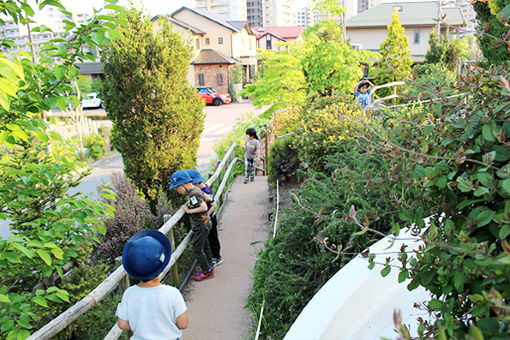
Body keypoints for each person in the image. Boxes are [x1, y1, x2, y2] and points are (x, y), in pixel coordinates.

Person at [116, 230, 189, 340]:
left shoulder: (129, 293)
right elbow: (183, 324)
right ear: (162, 269)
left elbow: (122, 324)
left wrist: (141, 326)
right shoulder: (172, 293)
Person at [169, 170, 214, 281]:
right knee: (205, 246)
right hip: (205, 223)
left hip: (201, 224)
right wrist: (190, 201)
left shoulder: (193, 193)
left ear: (182, 184)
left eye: (176, 188)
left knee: (197, 249)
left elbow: (204, 207)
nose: (177, 191)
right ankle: (209, 266)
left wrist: (188, 210)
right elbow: (207, 198)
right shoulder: (195, 190)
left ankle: (206, 271)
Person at [186, 169, 223, 266]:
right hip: (207, 218)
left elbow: (213, 205)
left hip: (210, 218)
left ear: (197, 183)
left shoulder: (204, 190)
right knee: (209, 239)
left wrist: (207, 217)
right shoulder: (201, 188)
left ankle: (217, 257)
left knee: (213, 238)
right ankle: (212, 257)